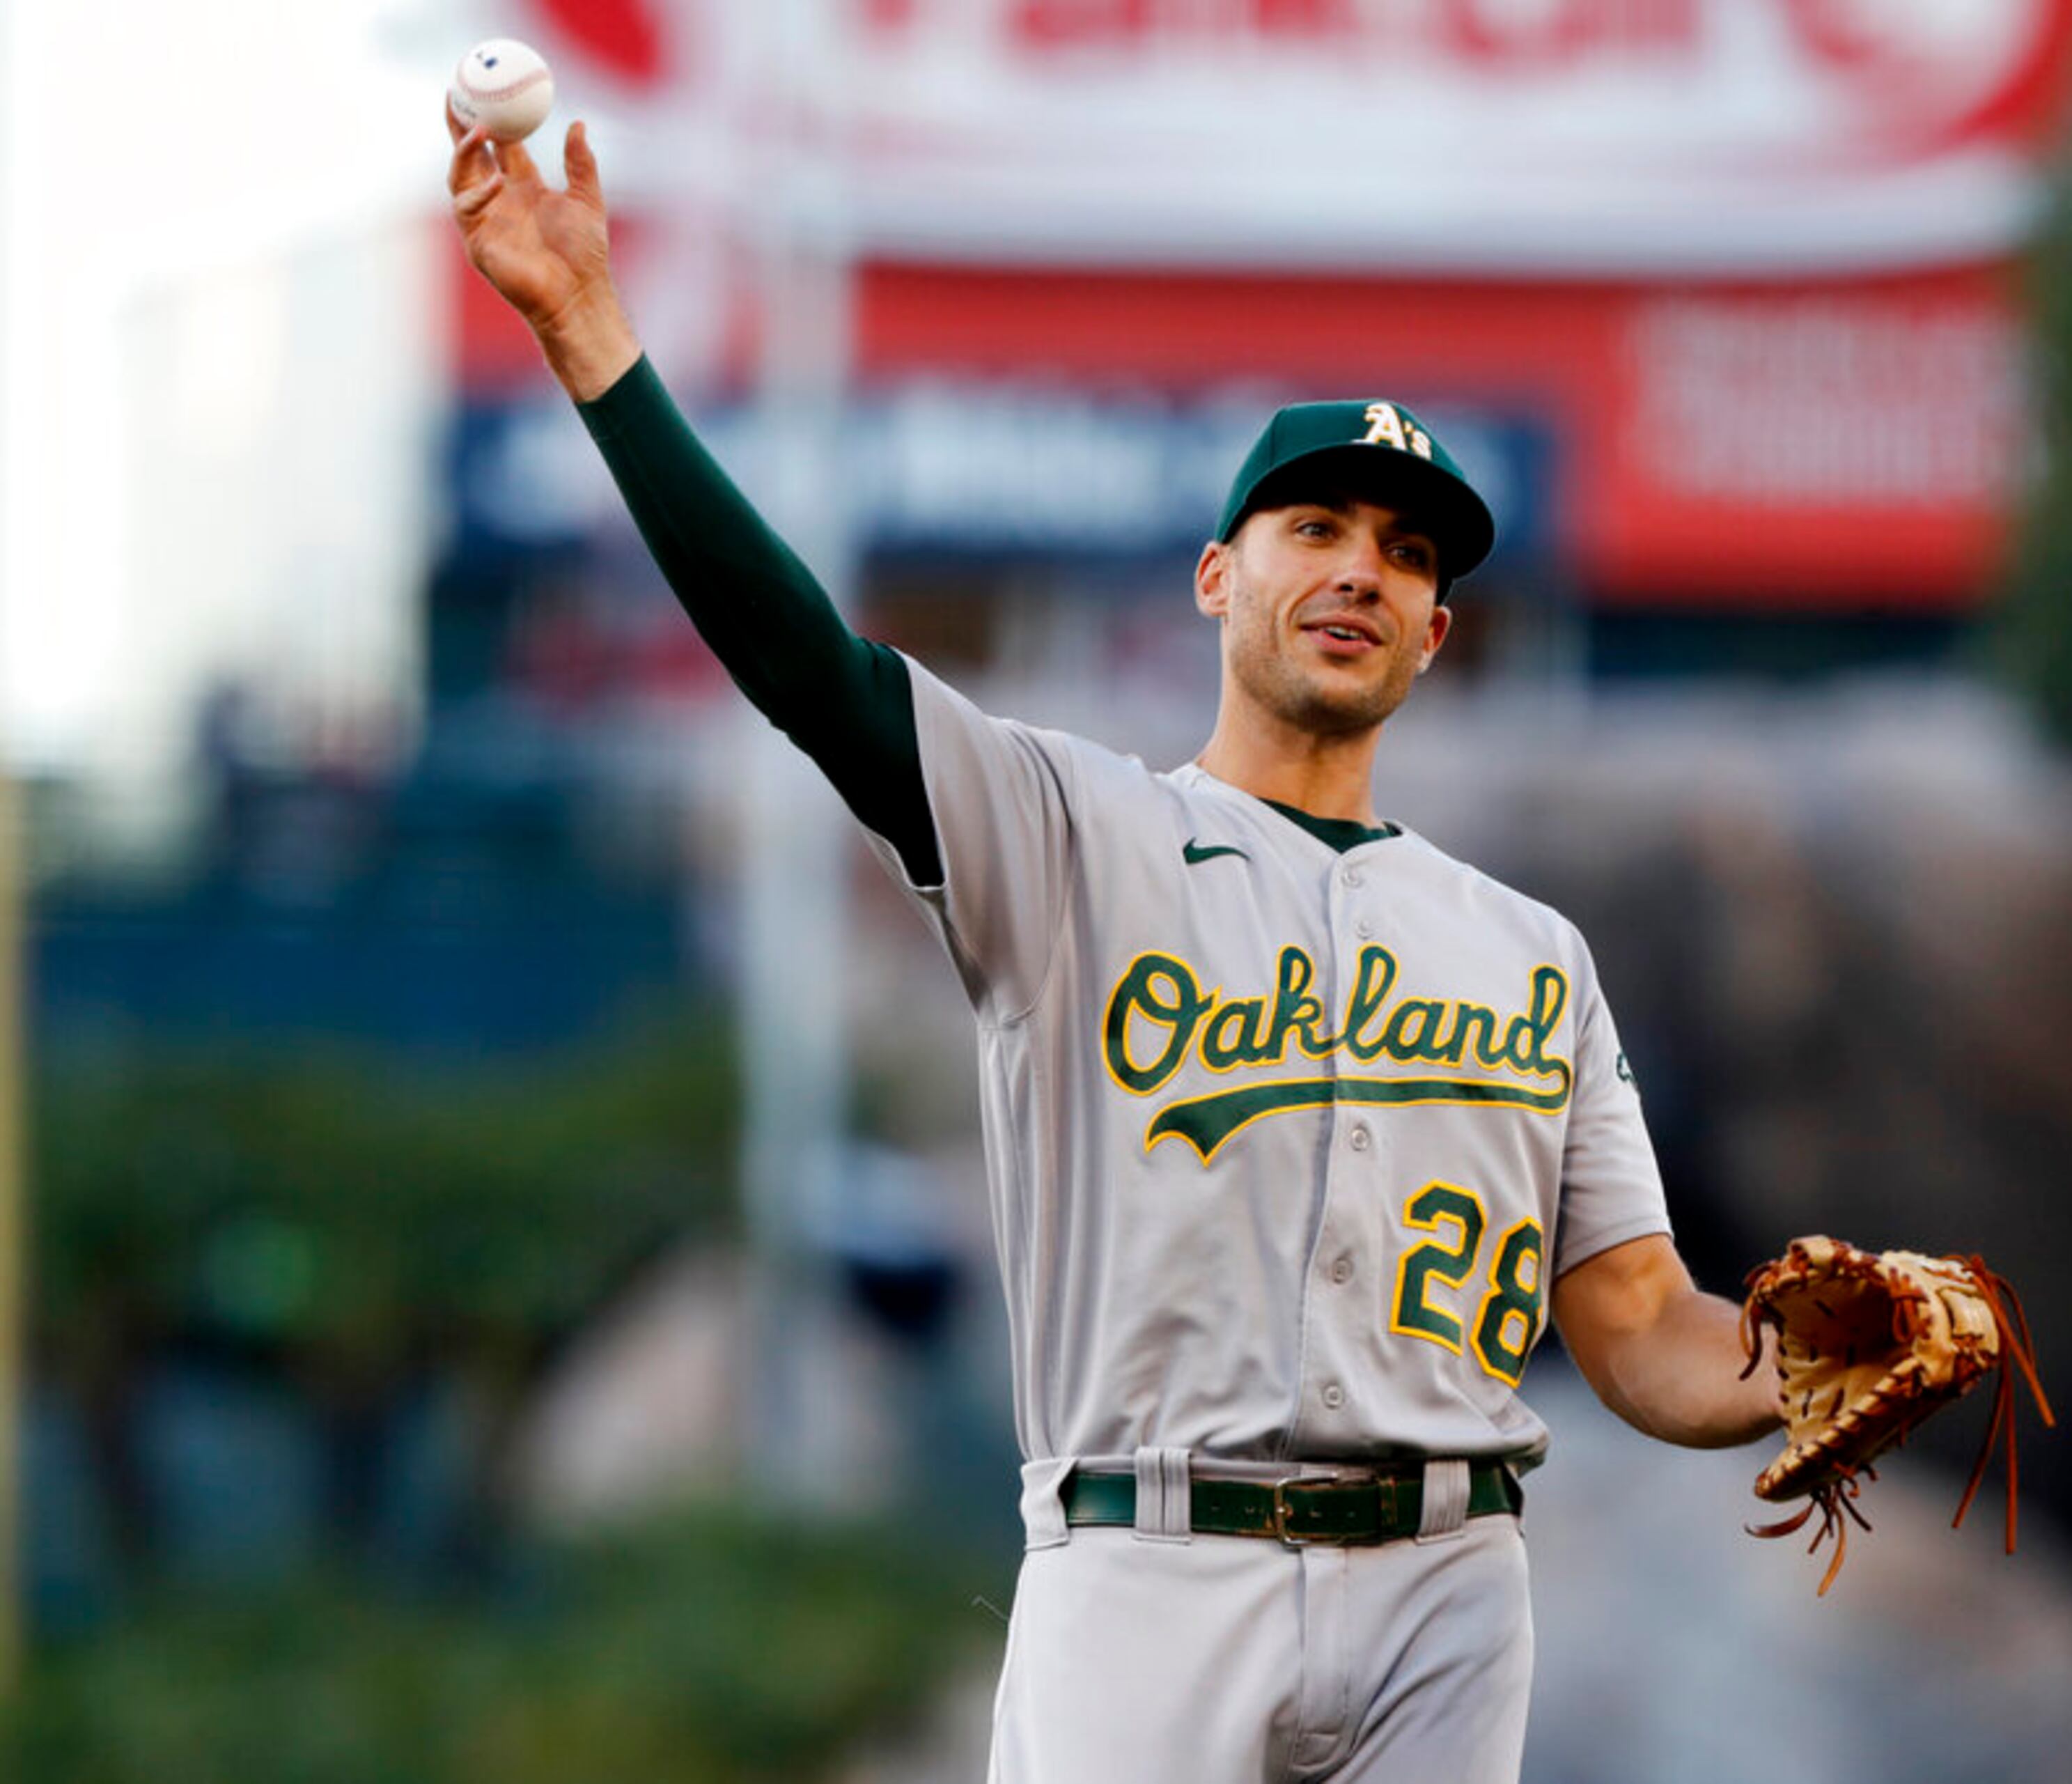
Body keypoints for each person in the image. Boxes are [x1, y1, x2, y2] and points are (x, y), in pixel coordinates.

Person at [449, 109, 1782, 1783]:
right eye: (1318, 529)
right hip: (1155, 1566)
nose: (1363, 568)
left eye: (1409, 551)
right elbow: (803, 662)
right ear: (1219, 577)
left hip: (1456, 1584)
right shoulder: (1066, 831)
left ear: (1440, 633)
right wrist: (598, 347)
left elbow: (1644, 1326)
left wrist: (1811, 1363)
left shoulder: (1534, 956)